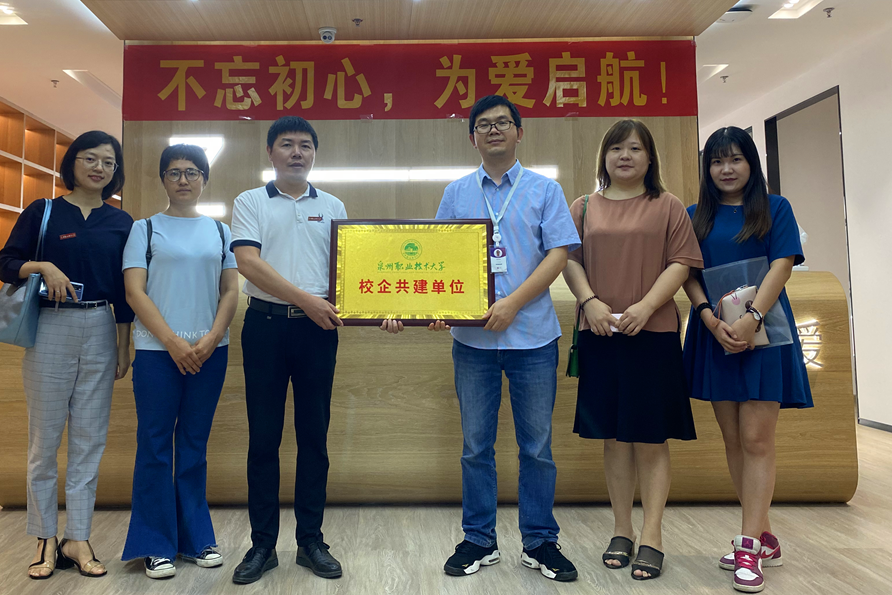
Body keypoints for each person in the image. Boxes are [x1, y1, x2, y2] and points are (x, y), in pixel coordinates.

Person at [383, 95, 582, 582]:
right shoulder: (456, 193)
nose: (494, 130)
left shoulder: (545, 189)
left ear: (519, 132)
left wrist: (513, 303)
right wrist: (436, 311)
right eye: (484, 125)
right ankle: (479, 539)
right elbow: (437, 260)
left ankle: (540, 541)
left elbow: (558, 255)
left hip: (533, 337)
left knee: (537, 448)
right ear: (472, 137)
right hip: (473, 343)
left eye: (503, 123)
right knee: (476, 447)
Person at [562, 119, 703, 581]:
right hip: (601, 333)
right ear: (604, 156)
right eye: (616, 148)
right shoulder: (584, 206)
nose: (625, 156)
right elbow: (570, 260)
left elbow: (682, 263)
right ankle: (621, 529)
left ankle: (653, 534)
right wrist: (590, 302)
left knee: (650, 436)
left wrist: (646, 306)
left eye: (635, 148)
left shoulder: (668, 206)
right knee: (614, 437)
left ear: (649, 158)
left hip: (653, 333)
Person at [0, 131, 132, 579]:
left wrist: (123, 343)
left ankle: (78, 537)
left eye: (108, 162)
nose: (99, 168)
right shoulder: (44, 211)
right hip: (50, 326)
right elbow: (4, 264)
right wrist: (43, 266)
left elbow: (125, 290)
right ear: (72, 162)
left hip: (100, 326)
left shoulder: (121, 222)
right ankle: (44, 538)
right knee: (44, 440)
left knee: (90, 440)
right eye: (90, 158)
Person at [682, 127, 811, 594]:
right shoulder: (694, 215)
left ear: (751, 163)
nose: (727, 169)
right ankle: (763, 536)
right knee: (734, 439)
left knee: (757, 438)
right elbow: (687, 273)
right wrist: (707, 317)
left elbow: (782, 264)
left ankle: (748, 547)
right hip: (716, 332)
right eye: (717, 161)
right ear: (707, 168)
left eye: (736, 159)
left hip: (765, 330)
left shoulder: (776, 208)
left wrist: (752, 317)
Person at [229, 116, 347, 585]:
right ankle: (262, 545)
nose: (297, 153)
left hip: (319, 332)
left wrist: (379, 308)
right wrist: (306, 300)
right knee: (263, 439)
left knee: (314, 438)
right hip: (264, 327)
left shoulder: (334, 205)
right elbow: (248, 263)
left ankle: (311, 542)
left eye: (305, 145)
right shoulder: (250, 201)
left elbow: (347, 269)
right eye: (287, 145)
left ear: (314, 153)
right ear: (270, 152)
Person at [120, 144, 240, 579]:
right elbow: (134, 292)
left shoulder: (221, 232)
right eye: (174, 172)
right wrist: (172, 342)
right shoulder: (145, 229)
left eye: (192, 172)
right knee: (154, 445)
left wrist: (211, 338)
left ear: (205, 179)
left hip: (210, 352)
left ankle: (195, 538)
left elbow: (231, 290)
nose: (183, 180)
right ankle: (154, 544)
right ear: (163, 180)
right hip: (157, 354)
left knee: (193, 445)